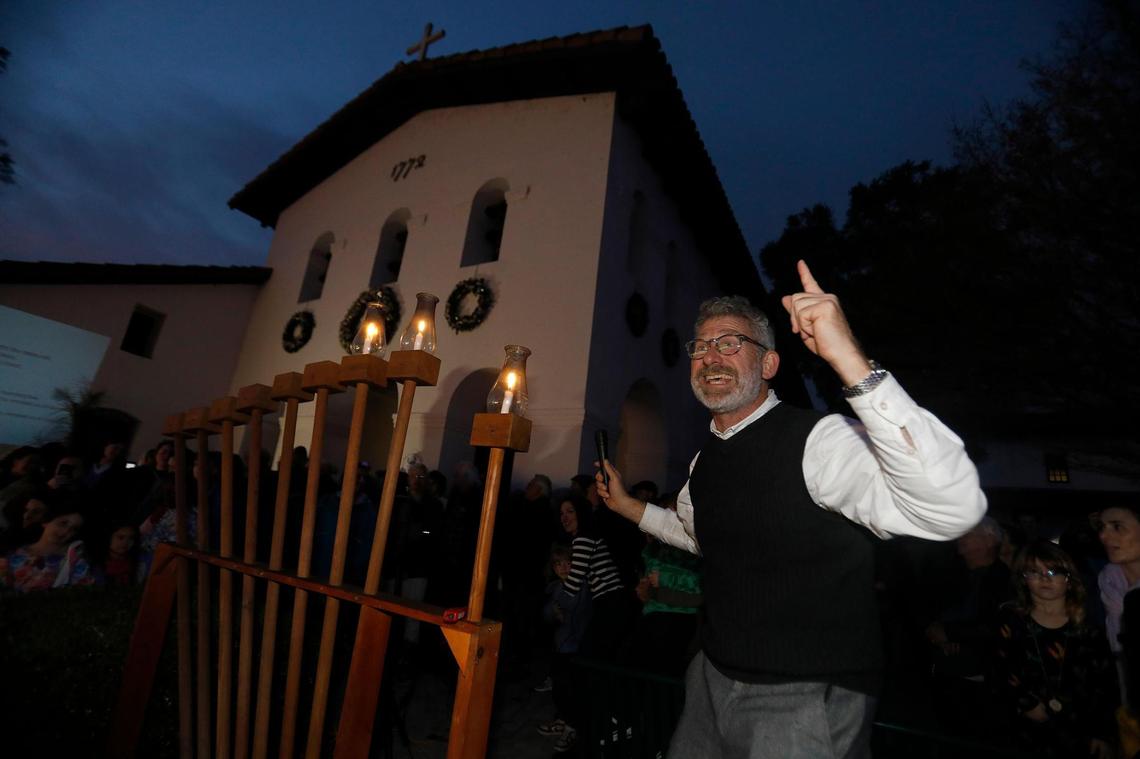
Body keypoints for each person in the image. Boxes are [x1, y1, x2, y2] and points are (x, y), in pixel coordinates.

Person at [596, 260, 987, 759]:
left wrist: (847, 357)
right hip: (711, 674)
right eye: (701, 346)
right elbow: (699, 536)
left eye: (730, 343)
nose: (710, 356)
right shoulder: (704, 461)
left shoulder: (820, 440)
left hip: (806, 691)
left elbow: (951, 506)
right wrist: (629, 507)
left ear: (768, 365)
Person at [993, 541, 1115, 758]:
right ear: (1023, 578)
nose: (1044, 578)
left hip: (1078, 730)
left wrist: (1102, 733)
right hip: (1024, 728)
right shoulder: (1011, 620)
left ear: (1069, 579)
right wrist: (1026, 702)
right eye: (1034, 571)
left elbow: (1104, 683)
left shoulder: (1087, 629)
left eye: (1053, 571)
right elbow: (998, 668)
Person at [0, 496, 94, 592]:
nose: (65, 531)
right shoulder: (12, 555)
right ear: (46, 522)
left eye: (73, 529)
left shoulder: (74, 562)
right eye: (63, 523)